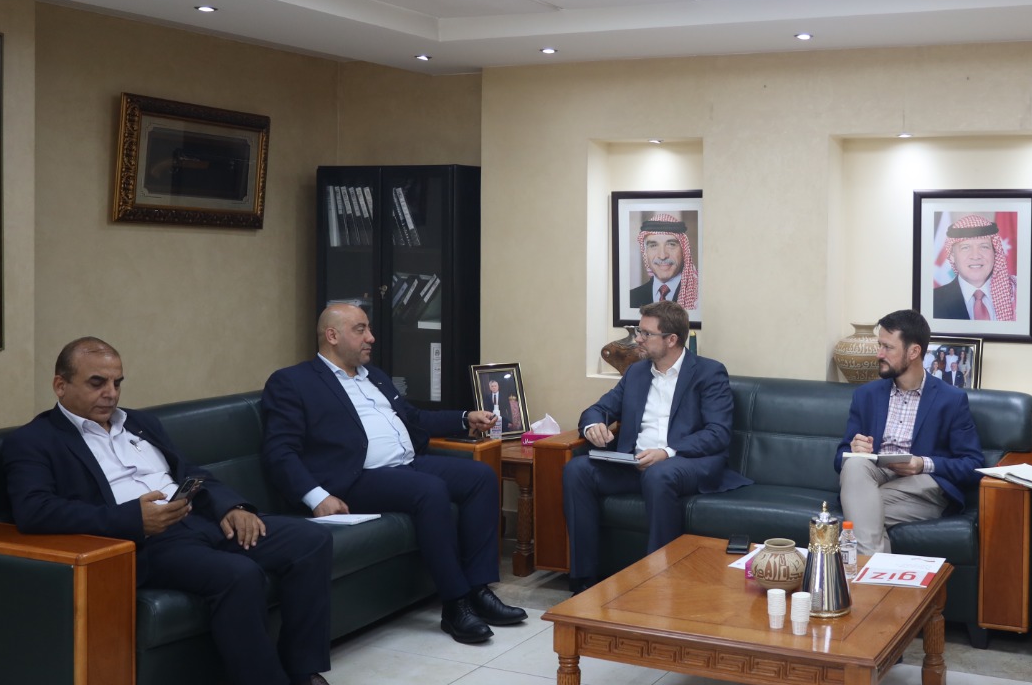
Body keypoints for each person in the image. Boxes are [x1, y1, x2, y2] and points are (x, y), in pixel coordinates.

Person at [2, 337, 363, 685]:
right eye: (97, 383)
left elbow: (190, 472)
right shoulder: (34, 441)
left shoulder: (139, 423)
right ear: (60, 385)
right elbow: (35, 511)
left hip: (201, 521)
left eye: (117, 383)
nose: (111, 394)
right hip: (145, 544)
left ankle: (301, 679)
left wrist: (230, 506)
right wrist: (132, 519)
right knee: (239, 574)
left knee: (309, 540)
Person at [262, 303, 526, 645]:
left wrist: (464, 418)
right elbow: (279, 451)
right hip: (354, 478)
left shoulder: (374, 376)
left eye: (369, 328)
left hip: (406, 465)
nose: (371, 337)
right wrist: (317, 497)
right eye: (360, 329)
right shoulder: (293, 382)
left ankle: (478, 589)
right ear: (332, 335)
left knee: (480, 477)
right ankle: (455, 604)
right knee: (429, 490)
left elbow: (414, 419)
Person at [565, 300, 746, 592]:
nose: (638, 339)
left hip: (686, 463)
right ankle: (584, 582)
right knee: (578, 470)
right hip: (634, 463)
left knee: (659, 474)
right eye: (639, 331)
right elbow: (598, 409)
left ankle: (659, 582)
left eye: (646, 333)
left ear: (671, 339)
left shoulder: (709, 373)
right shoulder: (636, 373)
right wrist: (593, 426)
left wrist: (667, 453)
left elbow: (717, 433)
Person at [834, 309, 984, 555]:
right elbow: (840, 458)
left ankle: (862, 568)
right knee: (854, 465)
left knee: (861, 512)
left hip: (921, 490)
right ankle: (873, 576)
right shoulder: (866, 395)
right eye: (879, 345)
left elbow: (973, 464)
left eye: (887, 347)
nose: (879, 354)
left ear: (914, 352)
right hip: (874, 478)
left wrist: (922, 464)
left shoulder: (951, 399)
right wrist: (854, 449)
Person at [931, 214, 1016, 322]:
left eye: (984, 247)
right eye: (965, 247)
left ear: (995, 252)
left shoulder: (1017, 294)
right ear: (952, 255)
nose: (975, 256)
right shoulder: (933, 301)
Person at [628, 212, 699, 310]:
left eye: (671, 244)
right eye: (653, 245)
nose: (662, 256)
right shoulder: (632, 298)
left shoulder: (699, 296)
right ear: (645, 252)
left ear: (684, 250)